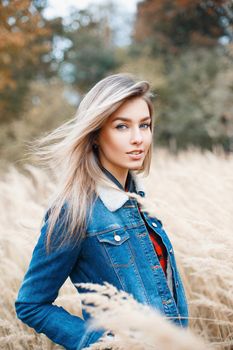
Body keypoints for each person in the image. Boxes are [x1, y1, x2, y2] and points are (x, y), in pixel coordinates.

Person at [15, 73, 189, 350]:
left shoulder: (140, 203)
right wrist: (105, 344)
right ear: (95, 134)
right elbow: (31, 304)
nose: (137, 139)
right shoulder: (73, 211)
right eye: (122, 127)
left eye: (144, 126)